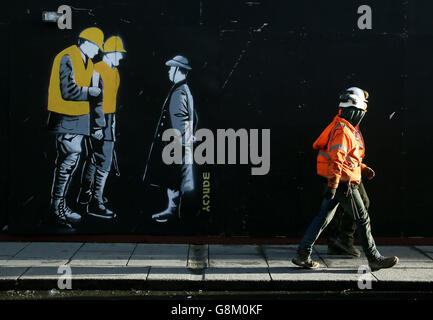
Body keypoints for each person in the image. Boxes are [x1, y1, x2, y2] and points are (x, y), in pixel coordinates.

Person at [292, 87, 399, 272]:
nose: (363, 114)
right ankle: (374, 258)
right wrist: (334, 185)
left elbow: (348, 158)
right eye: (362, 111)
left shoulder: (345, 128)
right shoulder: (343, 130)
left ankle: (303, 254)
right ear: (355, 111)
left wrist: (362, 169)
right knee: (362, 218)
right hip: (343, 183)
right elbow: (337, 159)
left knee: (322, 218)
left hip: (338, 181)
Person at [47, 27, 105, 228]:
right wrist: (90, 90)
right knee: (66, 165)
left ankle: (60, 206)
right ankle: (57, 209)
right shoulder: (67, 57)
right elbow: (68, 90)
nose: (98, 52)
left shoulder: (87, 61)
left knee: (69, 165)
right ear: (86, 43)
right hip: (66, 120)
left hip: (77, 121)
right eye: (97, 47)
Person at [77, 36, 126, 220]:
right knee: (103, 160)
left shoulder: (114, 71)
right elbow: (94, 100)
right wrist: (97, 125)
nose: (121, 58)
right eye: (119, 54)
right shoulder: (97, 69)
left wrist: (111, 123)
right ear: (110, 53)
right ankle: (95, 202)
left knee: (95, 158)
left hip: (108, 118)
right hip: (99, 119)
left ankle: (86, 195)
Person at [143, 55, 196, 223]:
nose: (168, 71)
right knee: (178, 180)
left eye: (171, 68)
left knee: (175, 180)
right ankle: (174, 211)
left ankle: (176, 214)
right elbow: (194, 117)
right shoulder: (184, 89)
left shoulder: (179, 91)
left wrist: (177, 143)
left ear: (178, 70)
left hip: (175, 144)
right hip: (181, 143)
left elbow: (180, 120)